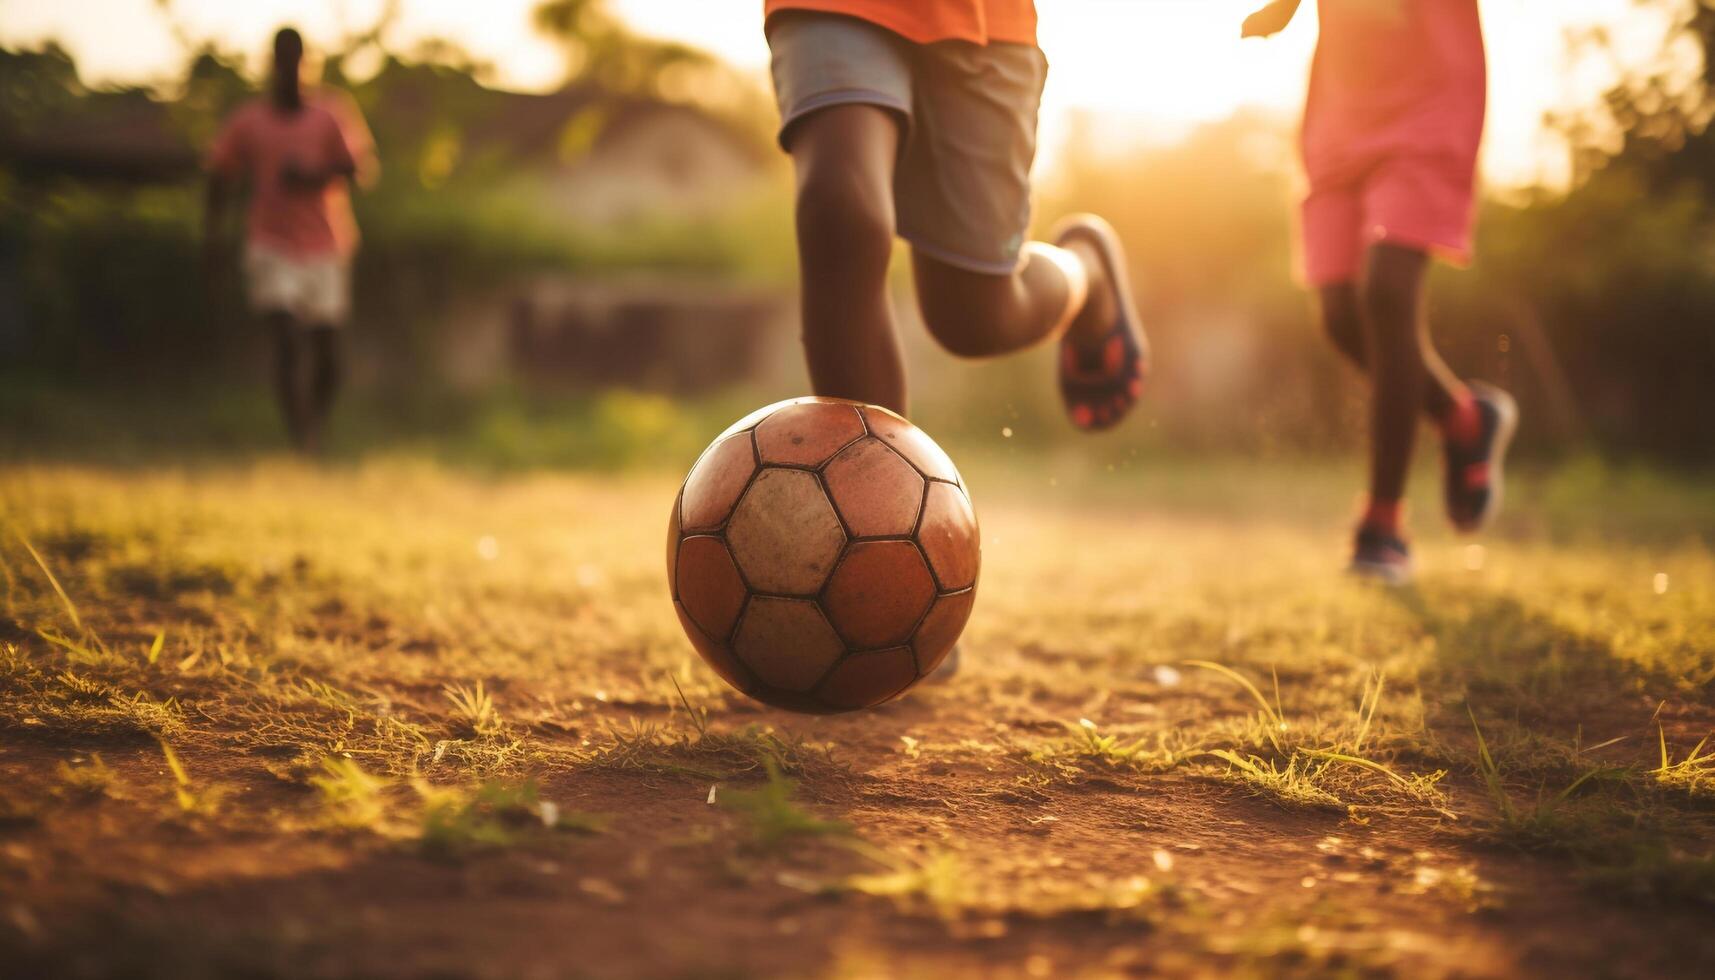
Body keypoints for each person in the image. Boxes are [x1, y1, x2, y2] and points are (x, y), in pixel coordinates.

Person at [762, 0, 1149, 431]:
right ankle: (877, 492)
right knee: (840, 211)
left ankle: (1087, 269)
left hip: (985, 21)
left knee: (973, 318)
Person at [1243, 0, 1518, 585]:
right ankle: (1463, 418)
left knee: (1387, 293)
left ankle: (1383, 523)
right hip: (1345, 104)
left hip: (1429, 95)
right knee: (1341, 315)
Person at [205, 27, 377, 454]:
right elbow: (219, 178)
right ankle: (300, 438)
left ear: (306, 62)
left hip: (325, 244)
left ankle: (312, 430)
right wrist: (213, 239)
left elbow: (359, 171)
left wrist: (312, 176)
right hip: (271, 242)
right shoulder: (248, 121)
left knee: (328, 359)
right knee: (285, 339)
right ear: (273, 63)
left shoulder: (331, 114)